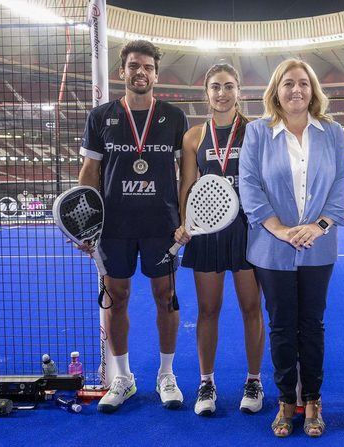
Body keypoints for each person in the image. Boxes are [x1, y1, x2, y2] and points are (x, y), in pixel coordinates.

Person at [239, 58, 344, 437]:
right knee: (282, 326)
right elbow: (250, 186)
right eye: (288, 83)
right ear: (276, 91)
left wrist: (318, 227)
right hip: (272, 248)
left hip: (318, 247)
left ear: (313, 90)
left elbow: (342, 184)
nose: (296, 90)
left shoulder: (333, 133)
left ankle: (314, 399)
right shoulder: (257, 132)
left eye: (303, 83)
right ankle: (288, 400)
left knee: (313, 325)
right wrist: (282, 230)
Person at [77, 39, 188, 412]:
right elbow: (89, 173)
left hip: (162, 226)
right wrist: (84, 223)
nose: (141, 72)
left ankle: (166, 374)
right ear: (121, 72)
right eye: (133, 66)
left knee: (165, 298)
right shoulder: (100, 116)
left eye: (148, 67)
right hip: (114, 226)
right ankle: (122, 377)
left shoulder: (174, 117)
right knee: (117, 298)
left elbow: (185, 175)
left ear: (156, 73)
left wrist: (185, 219)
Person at [174, 63, 265, 416]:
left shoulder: (255, 131)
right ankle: (206, 382)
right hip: (207, 232)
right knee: (208, 310)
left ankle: (253, 379)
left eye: (229, 86)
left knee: (251, 308)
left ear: (239, 91)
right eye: (215, 87)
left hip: (247, 231)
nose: (222, 93)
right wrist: (184, 222)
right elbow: (187, 184)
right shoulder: (194, 136)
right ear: (206, 93)